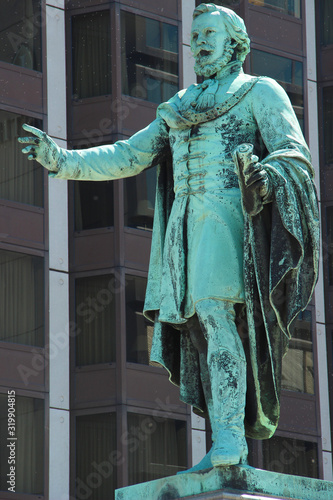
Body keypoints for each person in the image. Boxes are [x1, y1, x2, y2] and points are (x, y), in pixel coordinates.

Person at [19, 3, 319, 472]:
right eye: (194, 35)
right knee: (202, 333)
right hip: (185, 231)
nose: (197, 43)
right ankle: (225, 439)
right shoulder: (178, 106)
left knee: (218, 322)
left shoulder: (260, 92)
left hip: (230, 225)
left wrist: (266, 177)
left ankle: (228, 441)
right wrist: (59, 159)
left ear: (234, 43)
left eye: (208, 34)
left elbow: (294, 156)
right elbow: (128, 155)